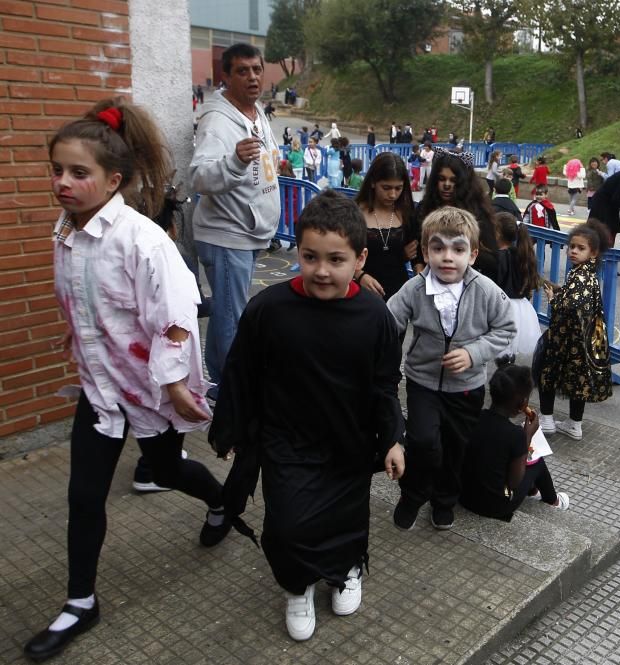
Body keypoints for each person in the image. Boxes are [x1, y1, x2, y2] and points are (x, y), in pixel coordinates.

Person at [24, 98, 231, 663]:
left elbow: (175, 317)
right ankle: (80, 602)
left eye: (79, 172)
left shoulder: (144, 241)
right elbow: (84, 309)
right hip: (99, 393)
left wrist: (173, 386)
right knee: (84, 497)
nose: (63, 183)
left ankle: (221, 500)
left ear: (113, 180)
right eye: (57, 170)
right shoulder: (63, 231)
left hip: (148, 393)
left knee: (167, 469)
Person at [209, 190, 406, 642]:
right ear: (297, 252)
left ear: (360, 259)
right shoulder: (268, 309)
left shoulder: (375, 315)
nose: (321, 270)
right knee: (287, 522)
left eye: (335, 259)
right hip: (286, 438)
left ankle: (346, 570)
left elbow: (383, 383)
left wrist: (393, 438)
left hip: (349, 440)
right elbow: (241, 370)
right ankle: (297, 585)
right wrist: (232, 429)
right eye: (310, 257)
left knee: (346, 515)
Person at [387, 207, 516, 531]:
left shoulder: (485, 290)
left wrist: (473, 353)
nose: (447, 257)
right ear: (426, 250)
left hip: (467, 387)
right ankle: (414, 494)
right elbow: (387, 320)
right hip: (422, 381)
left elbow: (506, 329)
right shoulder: (415, 288)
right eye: (438, 248)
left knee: (456, 448)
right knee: (424, 442)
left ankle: (444, 501)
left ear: (472, 254)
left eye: (457, 249)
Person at [190, 43, 280, 399]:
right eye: (242, 71)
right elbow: (199, 177)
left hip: (250, 230)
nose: (253, 77)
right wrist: (234, 164)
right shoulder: (216, 121)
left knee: (230, 310)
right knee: (230, 315)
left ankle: (223, 378)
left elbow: (262, 160)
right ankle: (229, 388)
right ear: (225, 76)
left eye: (257, 69)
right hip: (227, 233)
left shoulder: (256, 111)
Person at [460, 364, 570, 522]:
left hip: (464, 496)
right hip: (495, 506)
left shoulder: (474, 418)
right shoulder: (515, 435)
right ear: (521, 405)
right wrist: (528, 436)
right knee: (536, 461)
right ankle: (554, 501)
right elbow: (514, 482)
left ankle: (533, 492)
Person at [538, 220, 613, 441]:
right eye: (572, 247)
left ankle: (547, 420)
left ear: (593, 252)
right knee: (578, 381)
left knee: (547, 373)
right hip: (584, 340)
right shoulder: (586, 273)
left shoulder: (580, 275)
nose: (573, 251)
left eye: (580, 248)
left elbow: (571, 306)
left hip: (567, 338)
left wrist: (553, 300)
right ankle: (574, 424)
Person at [419, 151, 501, 282]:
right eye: (441, 179)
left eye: (453, 180)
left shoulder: (478, 213)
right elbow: (417, 250)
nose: (447, 185)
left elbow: (492, 259)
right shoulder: (424, 208)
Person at [354, 152, 420, 300]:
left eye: (398, 188)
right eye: (386, 187)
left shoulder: (407, 213)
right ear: (372, 182)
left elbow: (416, 257)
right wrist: (359, 275)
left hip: (397, 295)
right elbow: (341, 254)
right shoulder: (354, 212)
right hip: (362, 294)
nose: (392, 194)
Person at [494, 212, 542, 357]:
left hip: (501, 306)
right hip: (522, 309)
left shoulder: (497, 258)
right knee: (509, 349)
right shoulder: (524, 255)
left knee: (497, 347)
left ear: (497, 233)